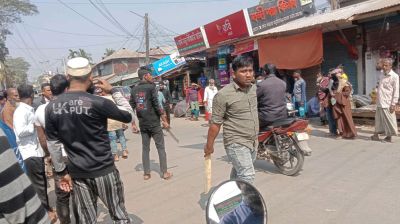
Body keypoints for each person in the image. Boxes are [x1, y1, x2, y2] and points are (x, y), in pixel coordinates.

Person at [45, 57, 133, 223]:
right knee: (119, 215)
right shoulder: (98, 102)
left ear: (67, 77)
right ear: (91, 76)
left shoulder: (52, 107)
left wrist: (61, 172)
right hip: (104, 170)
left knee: (86, 220)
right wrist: (113, 91)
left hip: (78, 174)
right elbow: (129, 115)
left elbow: (53, 144)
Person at [204, 56, 258, 183]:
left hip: (253, 141)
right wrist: (209, 146)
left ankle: (231, 196)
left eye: (250, 70)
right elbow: (215, 124)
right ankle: (245, 203)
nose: (248, 74)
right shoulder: (223, 95)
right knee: (247, 175)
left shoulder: (253, 88)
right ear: (234, 74)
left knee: (239, 173)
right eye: (243, 71)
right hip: (236, 142)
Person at [13, 84, 57, 222]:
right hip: (29, 153)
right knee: (39, 185)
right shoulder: (21, 111)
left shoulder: (27, 109)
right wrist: (34, 125)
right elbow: (20, 132)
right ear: (32, 94)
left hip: (35, 151)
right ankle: (44, 212)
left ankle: (46, 208)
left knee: (42, 182)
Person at [34, 74, 71, 224]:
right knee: (83, 191)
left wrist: (49, 154)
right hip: (76, 155)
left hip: (58, 158)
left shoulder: (41, 110)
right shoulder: (75, 105)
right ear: (66, 89)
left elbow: (43, 139)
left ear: (51, 90)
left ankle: (65, 222)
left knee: (62, 195)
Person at [130, 68, 173, 181]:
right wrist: (164, 120)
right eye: (150, 75)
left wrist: (133, 124)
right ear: (145, 76)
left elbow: (131, 108)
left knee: (145, 149)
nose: (152, 77)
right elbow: (157, 105)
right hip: (154, 123)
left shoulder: (134, 90)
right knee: (161, 148)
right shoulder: (151, 87)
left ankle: (146, 174)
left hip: (143, 124)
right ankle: (164, 172)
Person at [0, 128, 51, 224]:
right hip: (30, 155)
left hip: (30, 155)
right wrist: (33, 127)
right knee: (40, 187)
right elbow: (13, 198)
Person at [371, 58, 399, 143]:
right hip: (380, 101)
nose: (384, 67)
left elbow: (396, 91)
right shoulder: (382, 74)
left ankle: (389, 137)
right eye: (383, 65)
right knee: (378, 119)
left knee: (390, 120)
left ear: (390, 66)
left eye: (386, 65)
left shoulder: (394, 76)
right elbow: (379, 84)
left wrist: (393, 104)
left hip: (388, 102)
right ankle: (376, 134)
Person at [98, 89, 130, 162]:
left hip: (109, 122)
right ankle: (124, 151)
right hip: (118, 119)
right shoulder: (113, 98)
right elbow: (121, 108)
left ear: (103, 92)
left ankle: (115, 155)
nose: (100, 94)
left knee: (112, 139)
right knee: (121, 136)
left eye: (100, 92)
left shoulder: (101, 100)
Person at [257, 63, 287, 131]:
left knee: (250, 123)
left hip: (267, 117)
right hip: (282, 115)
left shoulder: (261, 85)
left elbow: (254, 98)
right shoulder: (283, 83)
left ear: (264, 72)